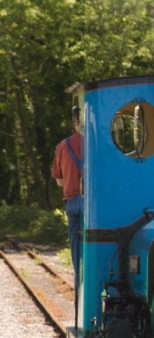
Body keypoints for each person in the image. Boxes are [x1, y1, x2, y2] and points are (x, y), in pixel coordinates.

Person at [52, 105, 84, 289]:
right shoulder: (96, 144)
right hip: (92, 205)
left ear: (75, 122)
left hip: (72, 202)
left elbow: (59, 182)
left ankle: (79, 288)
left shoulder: (63, 146)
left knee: (76, 253)